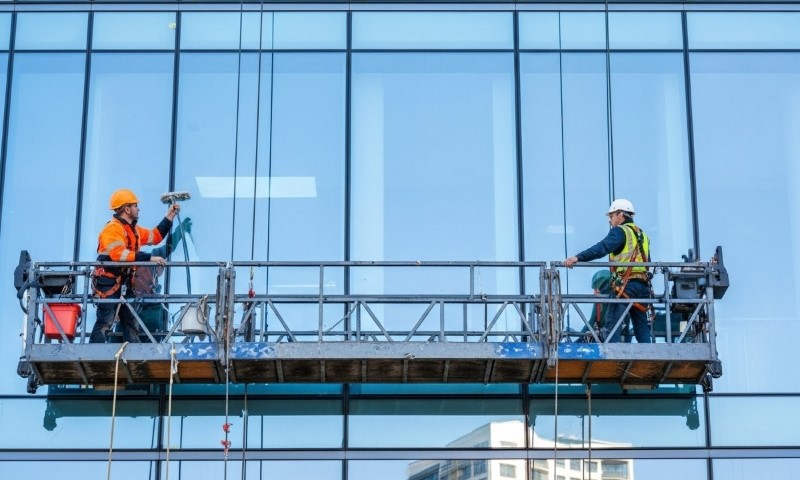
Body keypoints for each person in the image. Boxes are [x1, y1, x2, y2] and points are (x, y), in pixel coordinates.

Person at [89, 189, 179, 343]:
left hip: (123, 282)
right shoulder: (112, 228)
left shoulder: (134, 230)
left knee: (131, 321)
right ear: (127, 209)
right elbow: (120, 255)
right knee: (106, 320)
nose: (138, 209)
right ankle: (93, 356)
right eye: (135, 205)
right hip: (108, 282)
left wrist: (170, 217)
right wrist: (149, 258)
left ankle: (133, 356)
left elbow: (155, 236)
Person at [565, 199, 652, 343]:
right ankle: (651, 359)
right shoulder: (642, 235)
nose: (610, 220)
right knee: (641, 328)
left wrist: (578, 257)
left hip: (626, 286)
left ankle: (614, 360)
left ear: (620, 214)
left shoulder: (620, 231)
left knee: (612, 326)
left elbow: (603, 248)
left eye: (611, 216)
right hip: (642, 286)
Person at [117, 217, 192, 340]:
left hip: (144, 310)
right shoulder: (136, 260)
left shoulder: (156, 304)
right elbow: (167, 248)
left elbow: (169, 247)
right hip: (132, 306)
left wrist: (179, 231)